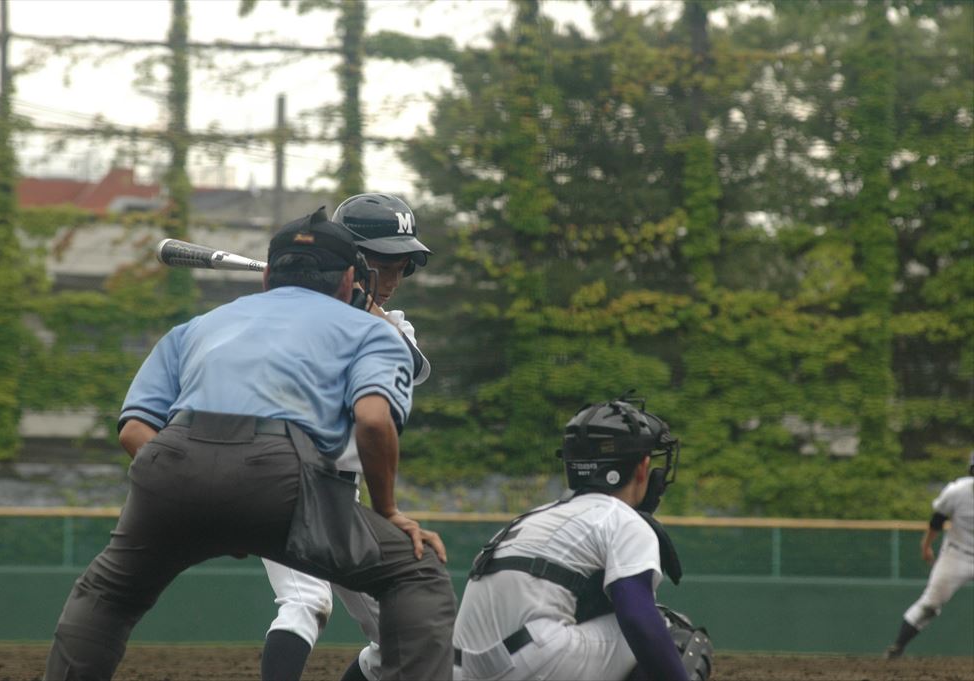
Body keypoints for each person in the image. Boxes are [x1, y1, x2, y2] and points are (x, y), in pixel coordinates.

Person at [43, 207, 456, 681]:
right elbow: (374, 421)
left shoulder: (196, 326)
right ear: (350, 278)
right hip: (288, 479)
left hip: (170, 465)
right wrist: (388, 512)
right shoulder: (370, 331)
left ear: (266, 278)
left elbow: (133, 428)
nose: (395, 278)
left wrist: (202, 500)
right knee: (414, 573)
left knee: (107, 595)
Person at [258, 193, 435, 681]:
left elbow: (408, 363)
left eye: (402, 268)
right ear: (351, 262)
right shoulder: (287, 315)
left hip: (340, 495)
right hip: (281, 478)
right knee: (305, 601)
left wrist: (362, 302)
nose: (394, 280)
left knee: (402, 632)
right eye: (383, 266)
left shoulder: (392, 325)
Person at [452, 394, 712, 681]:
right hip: (535, 662)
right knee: (673, 632)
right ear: (642, 468)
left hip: (462, 671)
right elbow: (639, 620)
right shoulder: (622, 519)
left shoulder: (537, 516)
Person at [884, 451, 974, 659]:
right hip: (957, 555)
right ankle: (897, 647)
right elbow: (937, 520)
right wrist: (926, 546)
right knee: (930, 604)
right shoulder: (957, 491)